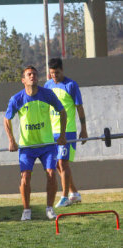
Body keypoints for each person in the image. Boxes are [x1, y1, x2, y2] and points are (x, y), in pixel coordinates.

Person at [4, 65, 67, 220]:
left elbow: (62, 112)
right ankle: (26, 210)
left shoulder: (48, 94)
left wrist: (62, 136)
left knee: (52, 174)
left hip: (47, 145)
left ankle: (49, 208)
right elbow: (7, 119)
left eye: (34, 74)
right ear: (23, 80)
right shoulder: (17, 99)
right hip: (27, 147)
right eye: (29, 74)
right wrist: (11, 140)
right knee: (25, 177)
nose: (32, 76)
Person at [44, 57, 88, 208]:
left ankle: (64, 197)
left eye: (57, 72)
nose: (54, 76)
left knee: (63, 163)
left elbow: (79, 107)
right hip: (51, 132)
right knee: (57, 164)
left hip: (67, 131)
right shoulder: (47, 85)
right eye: (52, 73)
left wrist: (84, 129)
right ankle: (74, 193)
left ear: (62, 70)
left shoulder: (71, 85)